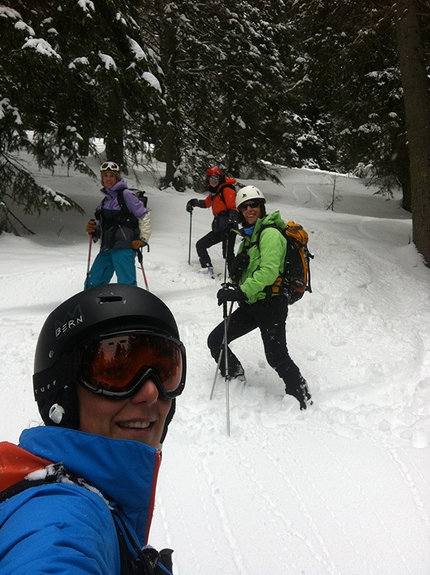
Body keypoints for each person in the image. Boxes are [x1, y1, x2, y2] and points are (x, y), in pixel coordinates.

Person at [0, 284, 186, 574]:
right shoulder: (60, 516)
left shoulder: (82, 491)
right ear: (61, 393)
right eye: (114, 371)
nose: (150, 391)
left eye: (164, 372)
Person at [207, 185, 312, 409]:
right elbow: (246, 273)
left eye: (253, 204)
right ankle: (235, 375)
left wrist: (240, 291)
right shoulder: (249, 237)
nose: (249, 209)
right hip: (251, 304)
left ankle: (301, 394)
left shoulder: (271, 234)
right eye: (244, 206)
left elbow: (269, 272)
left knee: (276, 356)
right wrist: (232, 284)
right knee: (216, 340)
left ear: (261, 207)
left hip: (271, 304)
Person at [85, 161, 151, 288]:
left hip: (124, 246)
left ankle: (131, 306)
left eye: (112, 175)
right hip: (107, 246)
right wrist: (94, 230)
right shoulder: (106, 200)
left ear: (117, 177)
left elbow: (144, 215)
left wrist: (143, 239)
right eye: (105, 175)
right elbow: (106, 224)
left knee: (126, 284)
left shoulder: (126, 195)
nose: (108, 179)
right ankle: (93, 305)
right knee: (93, 281)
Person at [186, 166, 238, 277]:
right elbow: (206, 203)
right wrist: (193, 202)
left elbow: (233, 209)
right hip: (219, 228)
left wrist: (231, 223)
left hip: (229, 228)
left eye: (215, 177)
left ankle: (235, 277)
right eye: (210, 178)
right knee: (201, 245)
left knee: (228, 254)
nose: (213, 180)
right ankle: (207, 268)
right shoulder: (216, 192)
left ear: (220, 178)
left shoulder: (226, 190)